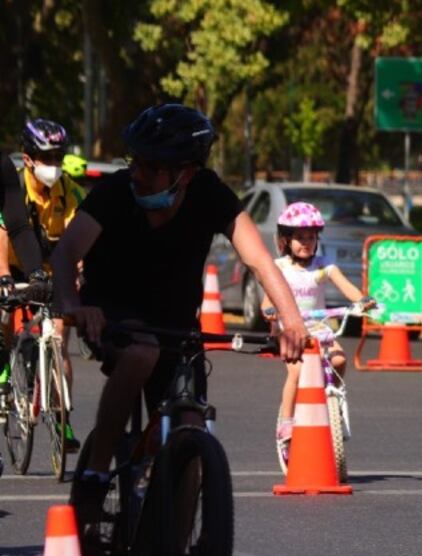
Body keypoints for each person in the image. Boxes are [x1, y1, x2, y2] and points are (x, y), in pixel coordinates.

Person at [54, 104, 307, 531]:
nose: (139, 174)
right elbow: (65, 256)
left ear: (185, 173)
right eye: (136, 162)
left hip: (176, 325)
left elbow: (262, 262)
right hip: (113, 313)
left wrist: (291, 320)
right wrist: (73, 306)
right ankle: (97, 473)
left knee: (192, 431)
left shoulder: (209, 193)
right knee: (140, 353)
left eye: (153, 168)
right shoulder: (116, 192)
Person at [262, 201, 372, 460]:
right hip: (291, 332)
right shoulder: (280, 268)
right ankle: (286, 421)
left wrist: (363, 301)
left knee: (339, 359)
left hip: (320, 328)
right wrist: (269, 310)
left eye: (311, 237)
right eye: (299, 238)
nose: (306, 243)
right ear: (286, 240)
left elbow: (348, 288)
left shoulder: (324, 266)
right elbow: (268, 300)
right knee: (297, 372)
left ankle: (334, 401)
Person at [3, 119, 85, 450]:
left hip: (51, 271)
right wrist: (4, 278)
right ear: (27, 158)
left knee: (59, 339)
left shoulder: (71, 192)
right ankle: (5, 373)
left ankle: (62, 415)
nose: (53, 166)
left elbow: (81, 238)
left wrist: (80, 268)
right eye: (45, 158)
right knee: (5, 319)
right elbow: (5, 233)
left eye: (57, 158)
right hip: (13, 267)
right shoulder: (14, 188)